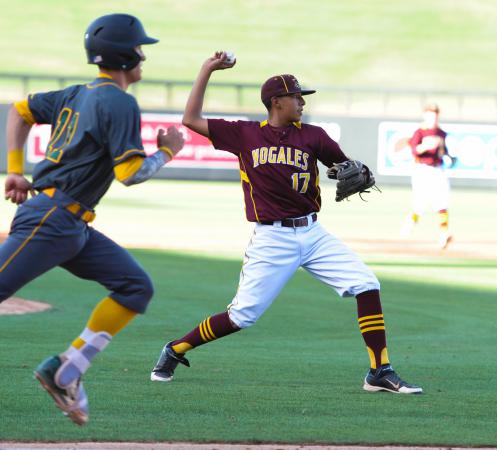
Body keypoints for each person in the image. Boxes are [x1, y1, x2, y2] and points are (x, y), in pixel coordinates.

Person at [150, 51, 423, 395]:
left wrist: (355, 170)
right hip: (271, 239)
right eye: (296, 96)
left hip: (312, 232)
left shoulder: (314, 136)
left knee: (367, 284)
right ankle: (176, 349)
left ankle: (379, 371)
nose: (302, 102)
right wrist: (206, 69)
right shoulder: (244, 135)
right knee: (241, 317)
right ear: (276, 102)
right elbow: (191, 118)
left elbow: (345, 167)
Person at [0, 13, 184, 425]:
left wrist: (15, 168)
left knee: (134, 287)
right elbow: (130, 173)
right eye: (139, 49)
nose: (142, 57)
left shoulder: (76, 93)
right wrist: (168, 151)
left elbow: (19, 110)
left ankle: (66, 370)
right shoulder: (119, 102)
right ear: (123, 55)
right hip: (50, 220)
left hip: (71, 226)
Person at [400, 103, 454, 249]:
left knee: (442, 201)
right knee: (420, 203)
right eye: (430, 116)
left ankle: (444, 234)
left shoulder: (441, 133)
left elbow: (444, 152)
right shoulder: (420, 132)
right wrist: (425, 146)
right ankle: (410, 223)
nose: (433, 119)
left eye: (435, 116)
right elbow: (414, 151)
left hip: (438, 169)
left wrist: (449, 156)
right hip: (422, 169)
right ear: (425, 116)